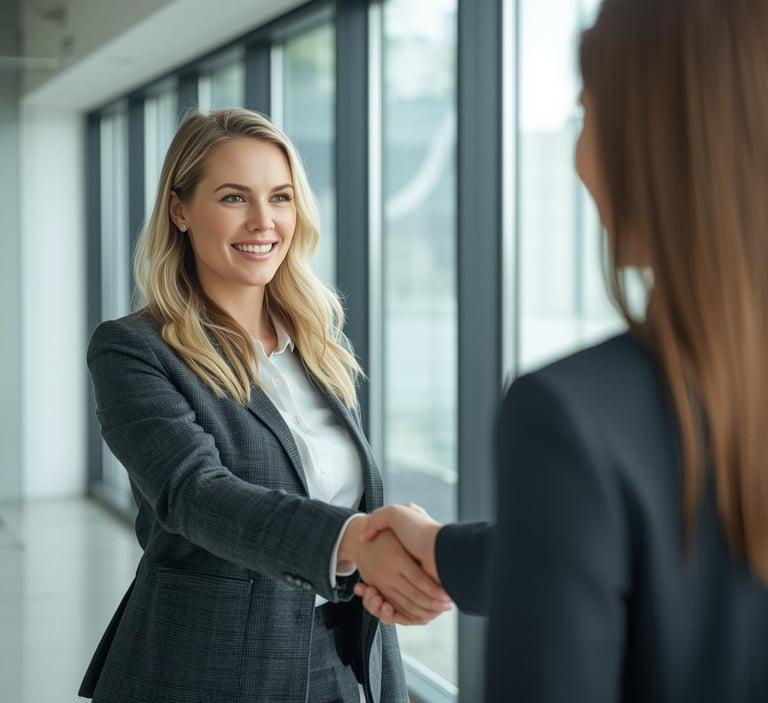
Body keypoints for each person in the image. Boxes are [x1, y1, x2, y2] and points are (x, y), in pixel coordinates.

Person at [356, 0, 768, 700]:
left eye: (586, 112)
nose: (579, 155)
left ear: (652, 140)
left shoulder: (571, 414)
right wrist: (442, 549)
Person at [78, 107, 451, 703]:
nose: (263, 220)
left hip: (336, 664)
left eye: (280, 197)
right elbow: (195, 494)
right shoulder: (133, 349)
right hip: (204, 671)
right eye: (234, 197)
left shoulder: (318, 342)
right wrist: (353, 539)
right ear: (179, 210)